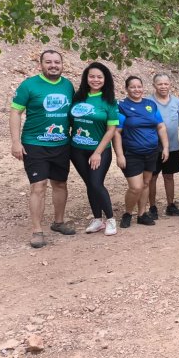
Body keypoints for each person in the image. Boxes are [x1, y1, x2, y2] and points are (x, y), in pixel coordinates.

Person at [10, 50, 76, 248]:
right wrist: (15, 142)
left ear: (62, 64)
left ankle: (58, 222)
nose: (53, 65)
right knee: (38, 187)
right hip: (34, 144)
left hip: (62, 144)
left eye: (57, 62)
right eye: (49, 62)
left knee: (60, 184)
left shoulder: (67, 85)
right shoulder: (28, 85)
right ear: (41, 64)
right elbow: (15, 112)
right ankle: (37, 230)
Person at [69, 62, 119, 236]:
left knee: (97, 183)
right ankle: (97, 220)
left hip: (100, 150)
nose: (95, 80)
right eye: (92, 76)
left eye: (99, 77)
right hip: (76, 149)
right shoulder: (78, 97)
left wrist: (97, 152)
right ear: (86, 78)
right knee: (89, 184)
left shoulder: (110, 101)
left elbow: (111, 130)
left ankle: (111, 220)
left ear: (105, 80)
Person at [113, 76, 169, 228]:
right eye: (133, 87)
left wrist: (165, 147)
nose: (136, 89)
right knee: (135, 187)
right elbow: (117, 132)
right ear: (126, 89)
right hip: (132, 152)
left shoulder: (150, 104)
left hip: (151, 151)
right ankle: (128, 213)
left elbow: (161, 127)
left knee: (145, 184)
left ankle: (142, 214)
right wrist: (119, 155)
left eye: (139, 86)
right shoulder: (122, 106)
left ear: (143, 87)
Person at [148, 73, 179, 219]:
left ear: (170, 85)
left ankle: (171, 205)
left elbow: (178, 121)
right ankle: (152, 207)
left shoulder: (176, 102)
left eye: (166, 84)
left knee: (169, 176)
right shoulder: (148, 102)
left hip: (172, 146)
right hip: (153, 146)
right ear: (154, 85)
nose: (163, 86)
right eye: (160, 84)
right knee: (152, 177)